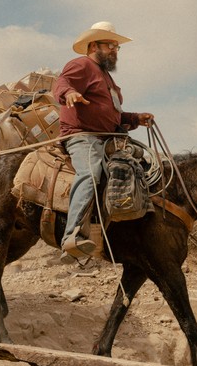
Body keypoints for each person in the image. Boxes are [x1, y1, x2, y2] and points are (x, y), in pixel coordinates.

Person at [53, 21, 154, 263]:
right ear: (94, 45)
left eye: (117, 47)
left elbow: (114, 115)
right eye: (111, 45)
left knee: (143, 168)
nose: (115, 51)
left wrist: (136, 118)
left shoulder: (107, 77)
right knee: (90, 173)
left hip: (110, 138)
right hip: (83, 137)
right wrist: (70, 94)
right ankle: (72, 235)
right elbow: (61, 84)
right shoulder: (82, 64)